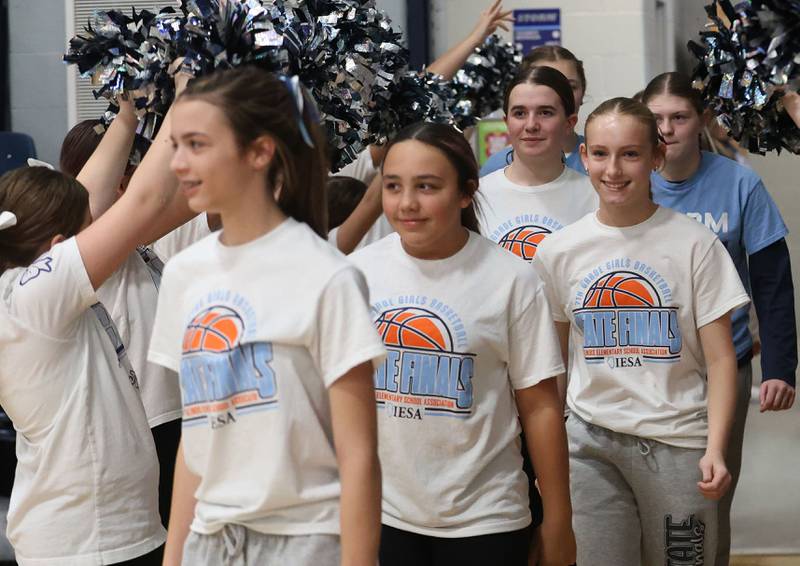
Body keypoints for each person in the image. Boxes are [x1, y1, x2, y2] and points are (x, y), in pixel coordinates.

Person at [146, 66, 386, 566]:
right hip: (208, 541)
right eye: (175, 145)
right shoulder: (184, 273)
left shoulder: (327, 276)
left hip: (306, 541)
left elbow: (360, 455)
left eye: (196, 144)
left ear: (259, 152)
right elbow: (198, 436)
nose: (178, 163)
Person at [533, 97, 749, 565]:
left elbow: (720, 359)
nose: (614, 169)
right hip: (590, 445)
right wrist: (546, 454)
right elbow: (554, 367)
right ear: (584, 156)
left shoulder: (695, 245)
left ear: (656, 157)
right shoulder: (558, 252)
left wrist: (716, 448)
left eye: (630, 154)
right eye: (602, 153)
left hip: (676, 444)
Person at [349, 122, 575, 566]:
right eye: (393, 187)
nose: (407, 203)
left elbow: (541, 408)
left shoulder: (511, 279)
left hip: (486, 519)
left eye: (427, 186)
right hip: (383, 514)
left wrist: (559, 520)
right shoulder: (356, 274)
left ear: (466, 192)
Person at [0, 73, 194, 565]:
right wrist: (189, 97)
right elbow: (141, 201)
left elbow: (84, 200)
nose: (102, 227)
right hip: (88, 543)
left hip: (109, 532)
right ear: (59, 250)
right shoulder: (34, 295)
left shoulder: (27, 282)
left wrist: (129, 113)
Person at [642, 72, 797, 566]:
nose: (667, 129)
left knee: (707, 496)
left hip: (722, 365)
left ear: (702, 120)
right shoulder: (629, 181)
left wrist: (780, 366)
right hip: (648, 364)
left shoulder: (738, 182)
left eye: (680, 117)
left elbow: (772, 281)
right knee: (650, 502)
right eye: (657, 119)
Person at [478, 65, 596, 268]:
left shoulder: (594, 197)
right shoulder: (478, 197)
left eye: (545, 112)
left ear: (569, 123)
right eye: (520, 113)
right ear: (507, 122)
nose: (531, 125)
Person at [480, 45, 589, 177]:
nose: (556, 95)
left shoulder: (600, 159)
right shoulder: (496, 167)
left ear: (583, 91)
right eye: (543, 84)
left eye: (570, 86)